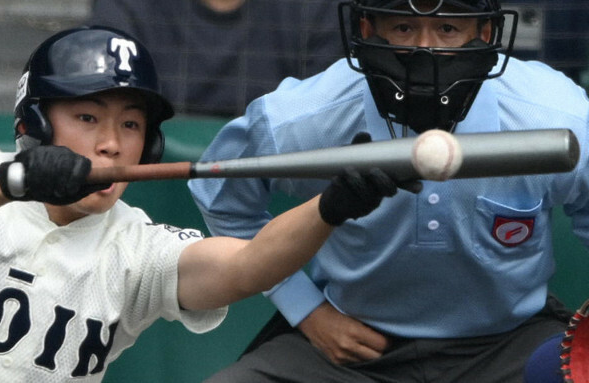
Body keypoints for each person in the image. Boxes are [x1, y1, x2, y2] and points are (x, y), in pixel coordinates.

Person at [0, 26, 398, 382]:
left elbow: (244, 267)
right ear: (33, 125)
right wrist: (16, 179)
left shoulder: (135, 247)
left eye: (131, 125)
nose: (111, 142)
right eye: (87, 118)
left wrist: (331, 205)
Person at [188, 0, 589, 381]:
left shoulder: (554, 113)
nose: (424, 48)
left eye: (447, 27)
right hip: (351, 352)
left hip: (511, 344)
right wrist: (306, 309)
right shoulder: (309, 115)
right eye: (403, 26)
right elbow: (221, 195)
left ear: (485, 32)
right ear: (368, 29)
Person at [88, 0, 342, 117]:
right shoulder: (126, 6)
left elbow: (323, 123)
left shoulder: (320, 8)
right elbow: (105, 115)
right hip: (147, 185)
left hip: (280, 190)